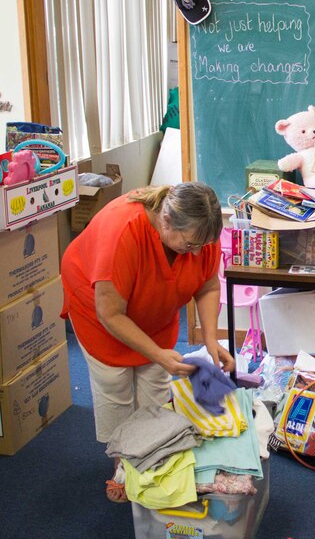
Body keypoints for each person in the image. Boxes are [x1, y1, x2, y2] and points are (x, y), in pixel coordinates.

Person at [60, 182, 235, 503]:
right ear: (166, 222)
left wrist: (211, 340)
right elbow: (111, 314)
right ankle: (123, 465)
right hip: (99, 311)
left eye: (203, 245)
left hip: (154, 307)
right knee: (115, 386)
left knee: (154, 381)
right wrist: (158, 354)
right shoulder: (122, 230)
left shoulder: (199, 231)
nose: (197, 252)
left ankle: (154, 451)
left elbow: (208, 285)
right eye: (191, 244)